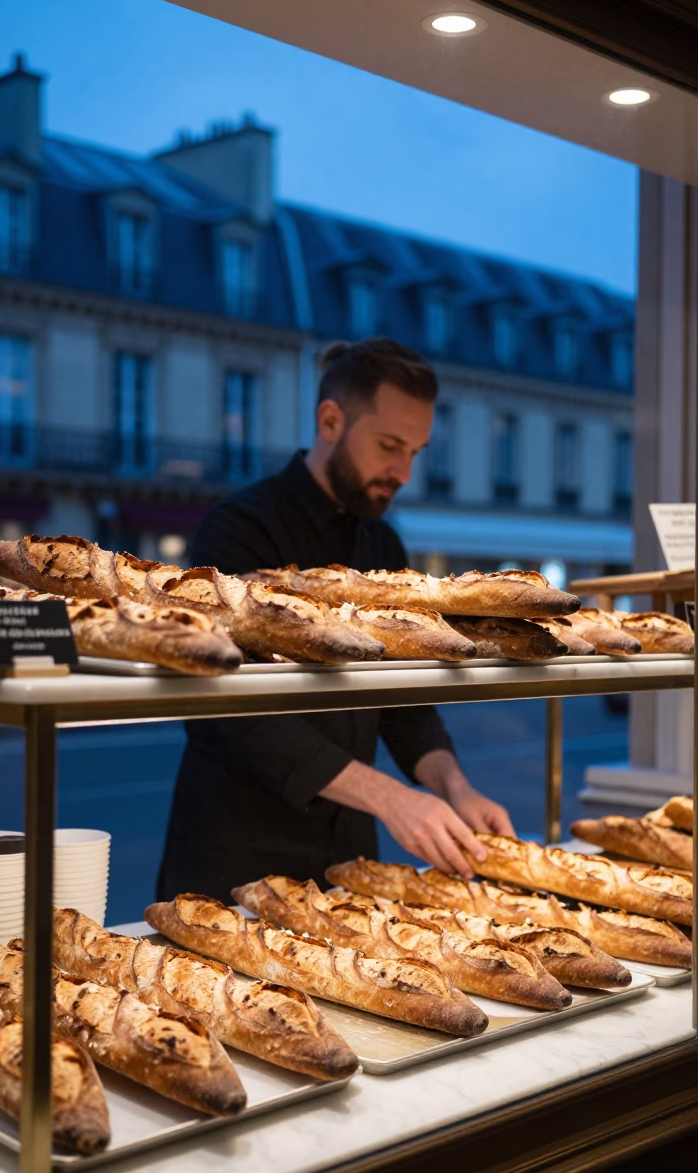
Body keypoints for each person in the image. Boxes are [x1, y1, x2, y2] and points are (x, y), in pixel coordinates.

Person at [156, 338, 516, 904]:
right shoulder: (240, 527)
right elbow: (229, 710)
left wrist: (453, 787)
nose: (402, 472)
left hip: (350, 851)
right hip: (238, 850)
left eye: (416, 452)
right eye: (390, 446)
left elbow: (405, 700)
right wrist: (391, 798)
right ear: (330, 420)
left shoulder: (384, 542)